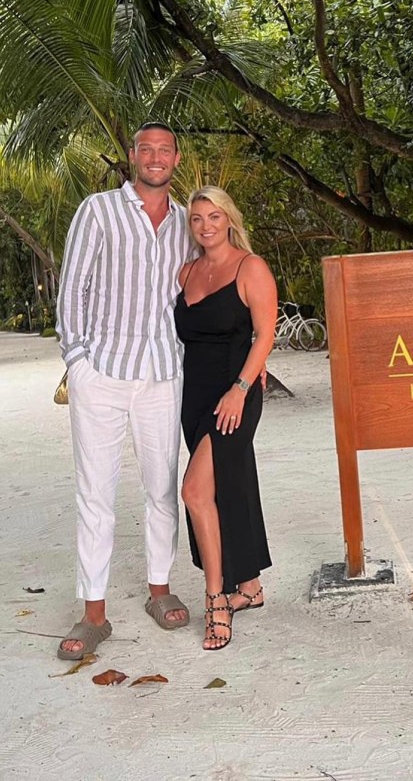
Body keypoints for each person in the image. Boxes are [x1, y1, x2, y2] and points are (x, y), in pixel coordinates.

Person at [54, 123, 195, 661]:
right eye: (146, 149)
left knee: (162, 488)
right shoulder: (98, 210)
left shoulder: (187, 221)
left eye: (164, 150)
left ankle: (160, 589)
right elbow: (74, 289)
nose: (155, 158)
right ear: (132, 156)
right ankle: (94, 613)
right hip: (102, 375)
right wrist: (78, 362)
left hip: (163, 372)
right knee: (95, 493)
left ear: (176, 159)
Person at [174, 186, 277, 650]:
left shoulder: (249, 267)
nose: (206, 225)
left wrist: (239, 389)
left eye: (214, 216)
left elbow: (265, 334)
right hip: (195, 398)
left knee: (195, 491)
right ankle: (249, 588)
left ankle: (216, 600)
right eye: (197, 218)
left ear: (229, 219)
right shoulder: (187, 272)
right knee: (230, 485)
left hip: (235, 394)